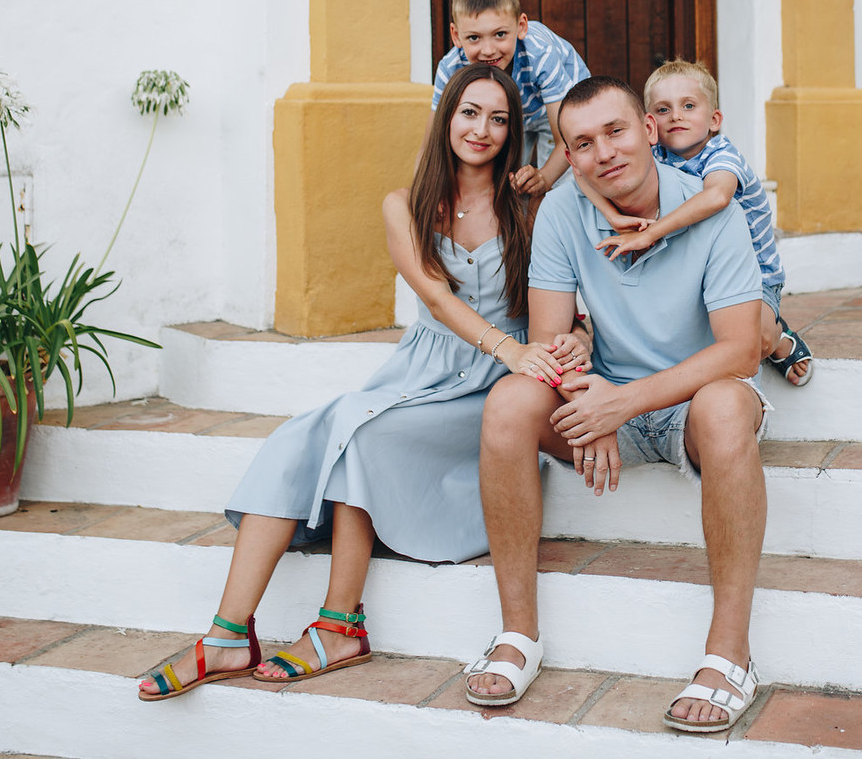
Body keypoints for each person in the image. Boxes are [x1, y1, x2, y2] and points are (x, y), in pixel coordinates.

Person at [139, 64, 588, 701]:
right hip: (425, 370)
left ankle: (341, 624)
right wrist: (507, 348)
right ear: (446, 115)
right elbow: (436, 300)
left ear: (514, 131)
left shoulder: (531, 205)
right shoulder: (403, 206)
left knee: (363, 433)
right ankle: (226, 635)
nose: (481, 129)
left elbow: (569, 296)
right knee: (301, 434)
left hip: (492, 390)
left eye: (498, 118)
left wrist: (537, 352)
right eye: (469, 112)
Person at [463, 76, 770, 734]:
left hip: (694, 404)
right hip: (606, 399)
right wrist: (585, 399)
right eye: (582, 143)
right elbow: (548, 341)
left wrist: (620, 403)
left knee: (723, 407)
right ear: (567, 157)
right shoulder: (562, 211)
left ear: (650, 131)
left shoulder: (712, 207)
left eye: (617, 131)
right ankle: (519, 634)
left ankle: (730, 656)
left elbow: (740, 351)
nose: (603, 152)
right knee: (510, 402)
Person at [578, 59, 813, 386]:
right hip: (694, 270)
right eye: (663, 109)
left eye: (688, 106)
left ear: (714, 120)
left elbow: (716, 197)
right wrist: (613, 215)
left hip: (754, 275)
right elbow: (580, 173)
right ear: (649, 124)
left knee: (754, 337)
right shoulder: (655, 156)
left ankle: (778, 336)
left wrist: (650, 235)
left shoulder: (723, 157)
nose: (675, 116)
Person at [428, 0, 591, 196]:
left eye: (500, 34)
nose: (488, 50)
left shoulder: (540, 52)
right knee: (508, 182)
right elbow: (432, 143)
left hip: (560, 110)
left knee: (560, 186)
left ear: (521, 26)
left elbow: (566, 138)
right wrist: (430, 192)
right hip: (514, 115)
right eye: (474, 37)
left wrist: (544, 179)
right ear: (456, 35)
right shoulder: (451, 67)